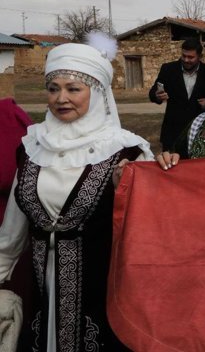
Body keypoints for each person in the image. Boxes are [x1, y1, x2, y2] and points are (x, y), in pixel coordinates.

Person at [0, 36, 153, 351]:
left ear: (96, 92)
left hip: (105, 293)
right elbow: (12, 231)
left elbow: (150, 230)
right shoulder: (32, 146)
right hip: (41, 293)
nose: (61, 98)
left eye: (73, 89)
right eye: (53, 88)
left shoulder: (126, 149)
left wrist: (126, 187)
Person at [149, 38, 205, 151]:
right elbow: (153, 92)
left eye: (191, 57)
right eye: (184, 56)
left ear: (200, 57)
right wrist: (157, 96)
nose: (186, 60)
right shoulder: (168, 69)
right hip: (172, 133)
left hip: (199, 132)